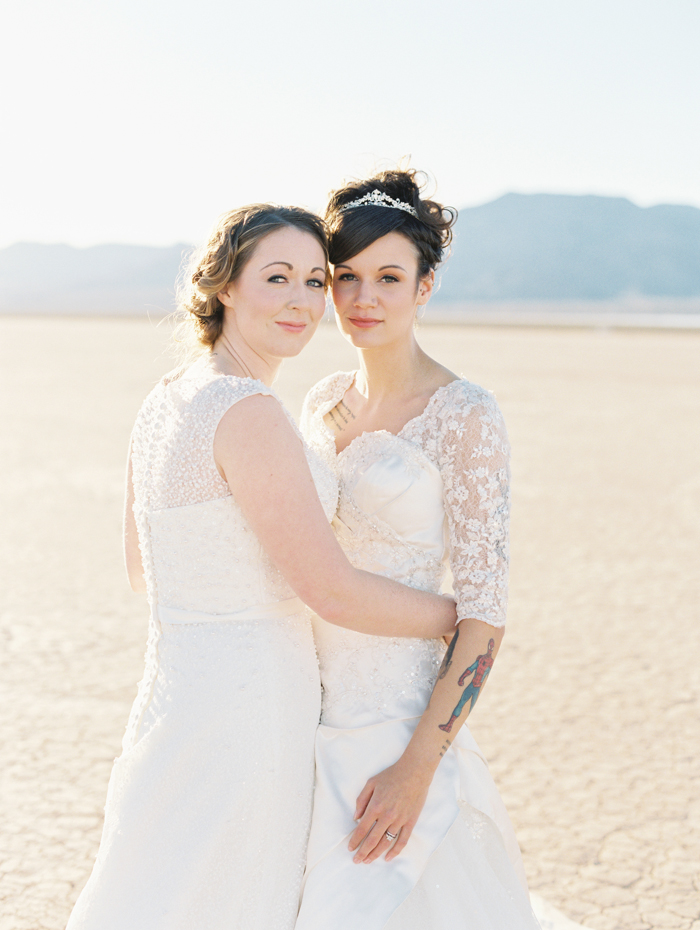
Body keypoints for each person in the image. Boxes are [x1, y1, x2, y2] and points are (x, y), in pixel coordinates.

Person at [66, 203, 458, 930]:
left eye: (316, 281)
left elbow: (139, 571)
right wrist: (460, 619)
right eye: (277, 277)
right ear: (223, 287)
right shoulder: (248, 410)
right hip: (253, 706)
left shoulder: (167, 399)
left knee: (164, 882)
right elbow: (331, 591)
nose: (303, 301)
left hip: (178, 690)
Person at [296, 170, 542, 929]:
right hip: (305, 711)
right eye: (346, 278)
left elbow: (485, 615)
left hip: (396, 723)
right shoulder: (321, 401)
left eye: (389, 278)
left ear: (425, 287)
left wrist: (416, 768)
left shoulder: (466, 414)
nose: (364, 299)